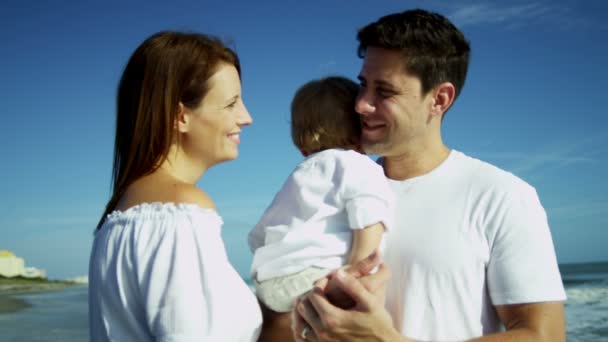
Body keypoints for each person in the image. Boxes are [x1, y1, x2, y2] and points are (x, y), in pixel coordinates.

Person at [293, 8, 567, 342]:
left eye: (384, 91)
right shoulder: (331, 191)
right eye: (363, 85)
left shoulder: (502, 196)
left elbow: (545, 336)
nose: (361, 103)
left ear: (439, 99)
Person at [88, 31, 263, 341]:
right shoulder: (181, 212)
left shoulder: (119, 216)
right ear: (180, 116)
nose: (246, 117)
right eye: (231, 103)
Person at [248, 76, 394, 340]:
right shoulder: (360, 166)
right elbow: (368, 221)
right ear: (360, 128)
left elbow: (259, 236)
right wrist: (354, 274)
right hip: (319, 280)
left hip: (271, 284)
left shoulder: (298, 175)